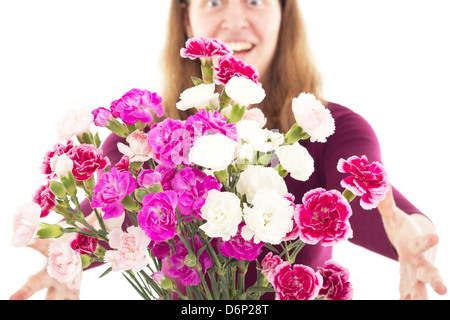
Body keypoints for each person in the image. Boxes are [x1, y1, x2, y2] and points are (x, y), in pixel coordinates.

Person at [10, 0, 447, 300]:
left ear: (283, 15)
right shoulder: (141, 136)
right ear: (186, 19)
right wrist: (64, 252)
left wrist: (416, 238)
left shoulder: (335, 132)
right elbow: (96, 223)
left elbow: (387, 212)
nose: (235, 21)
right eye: (214, 0)